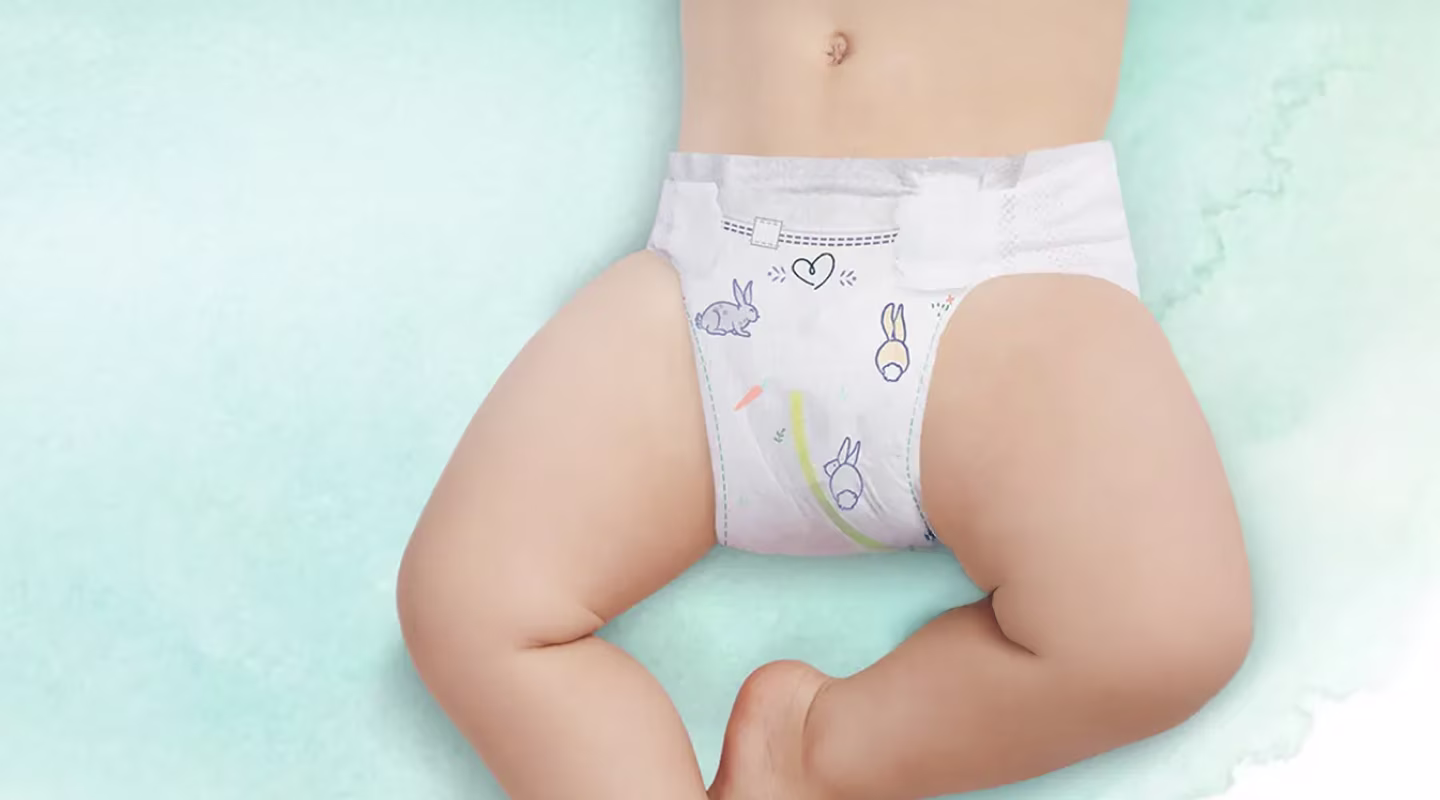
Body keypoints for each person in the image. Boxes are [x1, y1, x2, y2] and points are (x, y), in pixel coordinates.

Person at [396, 1, 1254, 798]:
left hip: (1001, 270)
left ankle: (815, 750)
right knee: (469, 605)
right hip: (712, 272)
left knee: (1163, 633)